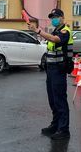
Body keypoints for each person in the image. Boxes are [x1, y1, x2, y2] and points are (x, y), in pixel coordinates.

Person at [28, 8, 74, 140]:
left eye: (55, 16)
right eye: (52, 17)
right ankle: (55, 125)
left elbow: (55, 40)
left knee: (60, 100)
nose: (53, 19)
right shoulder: (56, 30)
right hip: (51, 70)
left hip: (59, 70)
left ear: (62, 17)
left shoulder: (65, 31)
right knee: (53, 100)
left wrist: (38, 30)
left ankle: (64, 130)